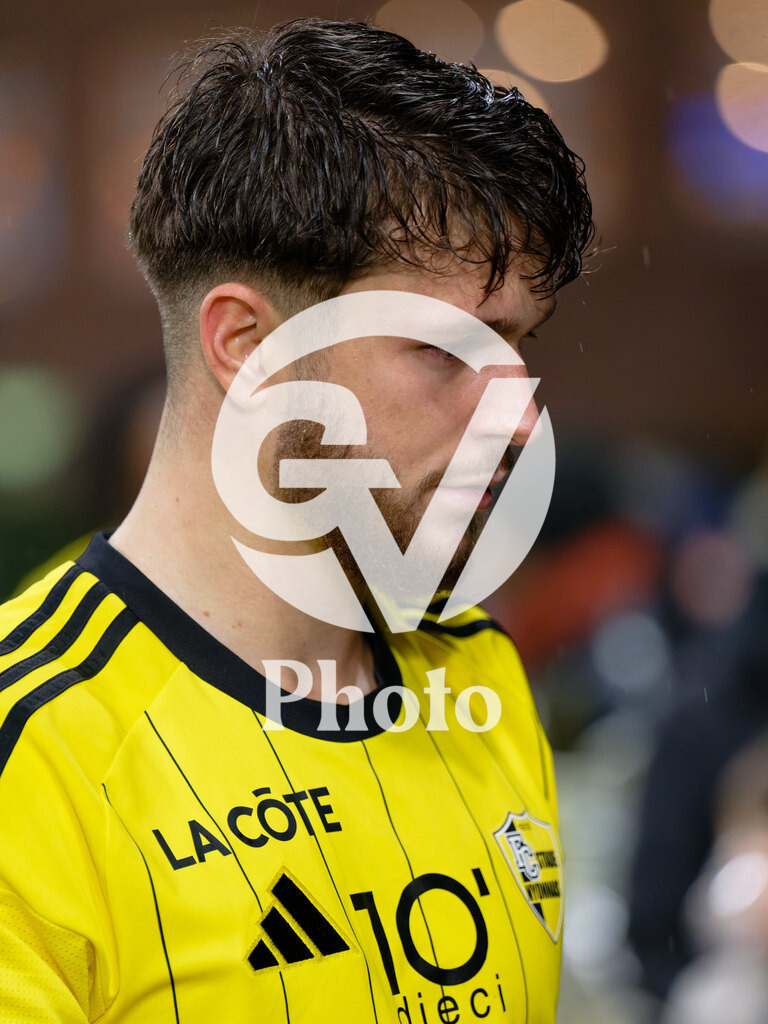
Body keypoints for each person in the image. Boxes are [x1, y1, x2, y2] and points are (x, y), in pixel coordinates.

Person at [0, 19, 592, 1023]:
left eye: (519, 347)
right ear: (247, 345)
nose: (520, 411)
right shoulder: (38, 755)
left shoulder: (479, 668)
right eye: (446, 348)